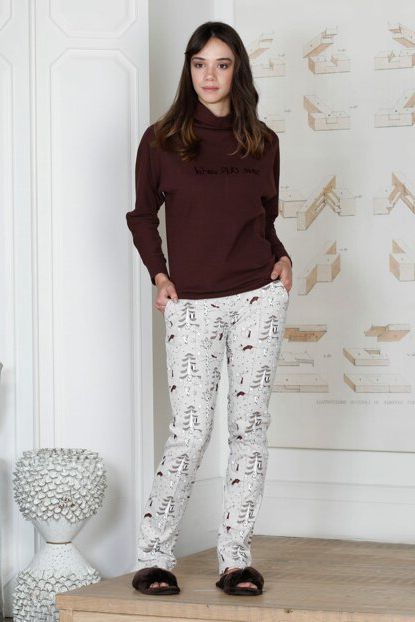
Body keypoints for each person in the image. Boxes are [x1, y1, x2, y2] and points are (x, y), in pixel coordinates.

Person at [125, 21, 292, 597]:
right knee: (191, 430)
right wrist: (160, 274)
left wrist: (282, 258)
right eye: (200, 64)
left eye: (222, 64)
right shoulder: (162, 139)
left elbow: (264, 217)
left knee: (249, 429)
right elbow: (141, 216)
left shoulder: (263, 141)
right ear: (189, 70)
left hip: (257, 297)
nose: (210, 75)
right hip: (192, 303)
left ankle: (235, 560)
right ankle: (155, 557)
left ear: (237, 70)